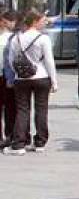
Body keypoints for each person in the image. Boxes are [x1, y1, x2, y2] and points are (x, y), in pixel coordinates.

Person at [4, 10, 57, 156]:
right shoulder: (43, 38)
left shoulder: (16, 38)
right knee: (41, 110)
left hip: (21, 79)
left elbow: (11, 60)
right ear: (34, 21)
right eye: (42, 21)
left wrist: (18, 73)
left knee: (22, 110)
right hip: (42, 77)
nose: (44, 23)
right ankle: (40, 142)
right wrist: (54, 81)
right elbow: (49, 61)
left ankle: (19, 144)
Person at [0, 10, 18, 148]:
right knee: (10, 108)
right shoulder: (12, 38)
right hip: (8, 76)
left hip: (5, 75)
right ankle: (10, 136)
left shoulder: (11, 37)